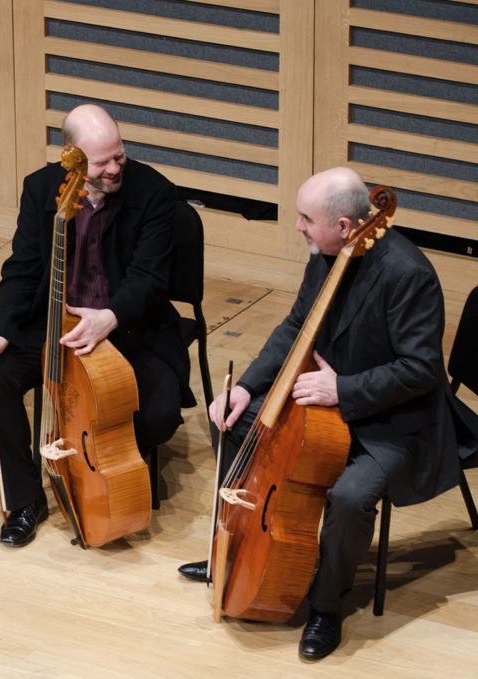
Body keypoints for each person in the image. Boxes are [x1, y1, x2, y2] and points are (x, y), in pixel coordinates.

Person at [177, 167, 478, 659]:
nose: (298, 226)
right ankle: (238, 549)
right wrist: (247, 387)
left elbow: (421, 370)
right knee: (231, 423)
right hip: (320, 404)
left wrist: (343, 388)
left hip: (391, 420)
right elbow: (298, 324)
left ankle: (326, 604)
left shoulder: (409, 274)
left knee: (350, 496)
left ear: (343, 225)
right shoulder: (325, 253)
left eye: (305, 218)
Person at [0, 104, 194, 547]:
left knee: (159, 415)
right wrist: (3, 331)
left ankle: (106, 468)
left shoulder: (154, 192)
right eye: (102, 162)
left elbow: (149, 280)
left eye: (120, 155)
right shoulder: (40, 189)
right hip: (55, 323)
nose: (115, 168)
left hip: (128, 326)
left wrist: (108, 317)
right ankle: (25, 500)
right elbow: (21, 270)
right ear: (70, 157)